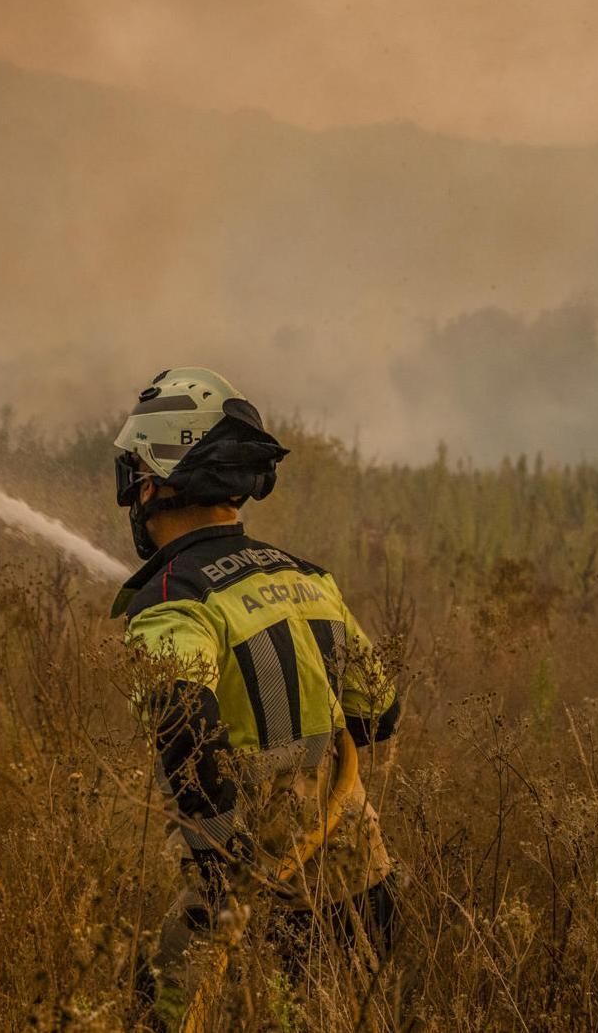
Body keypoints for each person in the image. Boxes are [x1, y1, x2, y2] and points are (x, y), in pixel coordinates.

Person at [110, 367, 401, 1028]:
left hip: (256, 906)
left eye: (138, 473)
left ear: (154, 481)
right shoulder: (307, 577)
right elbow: (379, 713)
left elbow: (183, 724)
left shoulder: (172, 597)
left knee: (159, 1014)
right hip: (365, 888)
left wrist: (220, 868)